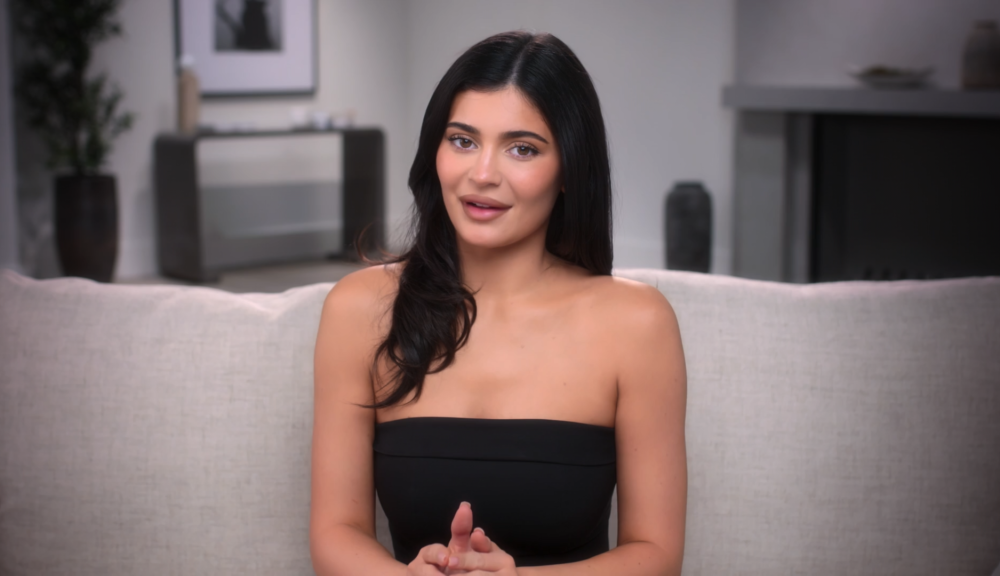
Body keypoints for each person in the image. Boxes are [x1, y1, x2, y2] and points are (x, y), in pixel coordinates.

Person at [309, 30, 687, 575]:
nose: (482, 174)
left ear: (569, 170)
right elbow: (335, 533)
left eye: (522, 148)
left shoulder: (637, 324)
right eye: (463, 140)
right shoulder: (359, 310)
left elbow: (657, 555)